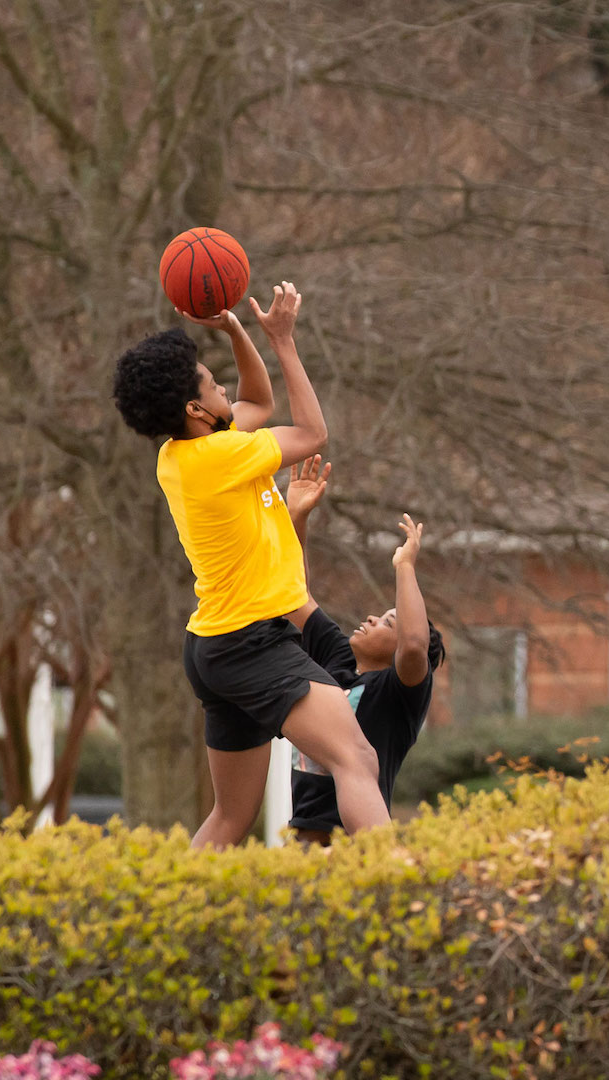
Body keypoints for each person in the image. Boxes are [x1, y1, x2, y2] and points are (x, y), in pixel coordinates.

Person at [111, 283, 388, 848]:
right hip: (251, 645)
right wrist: (281, 340)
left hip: (214, 647)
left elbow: (257, 404)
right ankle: (399, 887)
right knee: (355, 757)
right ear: (194, 409)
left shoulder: (181, 454)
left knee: (231, 817)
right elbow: (311, 433)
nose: (223, 387)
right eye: (212, 384)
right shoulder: (222, 455)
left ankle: (168, 914)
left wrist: (236, 330)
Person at [279, 456, 443, 845]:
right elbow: (294, 596)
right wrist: (296, 518)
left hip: (355, 844)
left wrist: (405, 566)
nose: (371, 618)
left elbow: (416, 644)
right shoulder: (336, 659)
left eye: (388, 622)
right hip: (304, 838)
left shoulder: (398, 696)